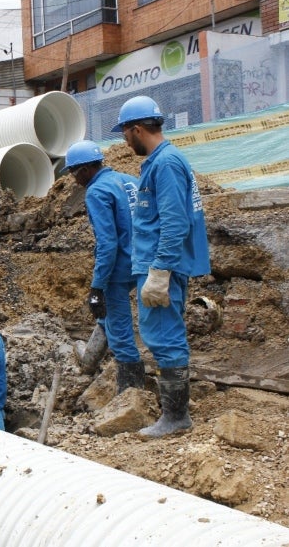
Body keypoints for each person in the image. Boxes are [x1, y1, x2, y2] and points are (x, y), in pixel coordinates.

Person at [112, 95, 211, 438]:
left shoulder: (166, 164)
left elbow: (174, 222)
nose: (124, 141)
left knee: (164, 336)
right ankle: (174, 413)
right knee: (161, 334)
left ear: (138, 129)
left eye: (125, 133)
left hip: (161, 266)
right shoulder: (159, 162)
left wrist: (160, 271)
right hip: (155, 264)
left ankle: (176, 417)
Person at [61, 140, 144, 393]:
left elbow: (108, 244)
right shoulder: (131, 180)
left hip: (119, 269)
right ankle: (89, 361)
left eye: (74, 174)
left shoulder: (96, 192)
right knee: (142, 324)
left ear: (84, 170)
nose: (75, 180)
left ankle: (131, 393)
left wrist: (97, 287)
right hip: (144, 261)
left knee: (120, 332)